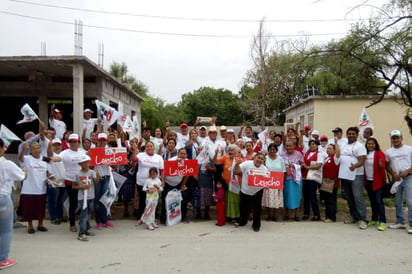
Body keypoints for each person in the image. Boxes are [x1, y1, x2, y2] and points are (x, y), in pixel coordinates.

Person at [0, 139, 25, 269]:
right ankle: (2, 260)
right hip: (3, 197)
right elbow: (21, 176)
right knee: (5, 230)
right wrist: (25, 170)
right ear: (2, 149)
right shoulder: (7, 164)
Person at [339, 127, 368, 229]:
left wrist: (354, 166)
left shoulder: (360, 146)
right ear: (346, 135)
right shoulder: (344, 145)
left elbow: (362, 160)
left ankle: (363, 219)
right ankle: (354, 216)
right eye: (349, 134)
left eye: (353, 134)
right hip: (345, 175)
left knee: (357, 197)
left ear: (357, 135)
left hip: (356, 175)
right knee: (349, 197)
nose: (351, 135)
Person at [18, 142, 49, 234]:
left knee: (40, 208)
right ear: (30, 150)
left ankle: (40, 225)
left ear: (40, 149)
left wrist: (50, 176)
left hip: (41, 189)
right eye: (34, 148)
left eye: (38, 148)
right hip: (29, 189)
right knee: (29, 209)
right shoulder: (27, 159)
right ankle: (30, 226)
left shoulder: (44, 159)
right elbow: (20, 158)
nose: (36, 150)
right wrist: (23, 149)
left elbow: (47, 171)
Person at [385, 130, 412, 233]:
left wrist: (407, 171)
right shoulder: (388, 151)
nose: (395, 140)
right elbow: (387, 165)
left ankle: (411, 223)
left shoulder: (409, 149)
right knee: (398, 201)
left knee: (410, 201)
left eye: (397, 138)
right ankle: (400, 222)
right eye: (393, 138)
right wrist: (393, 174)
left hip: (409, 177)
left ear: (401, 138)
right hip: (397, 179)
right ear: (391, 139)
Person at [58, 133, 86, 232]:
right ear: (69, 143)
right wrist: (51, 159)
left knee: (84, 202)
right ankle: (72, 224)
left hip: (82, 180)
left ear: (79, 142)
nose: (73, 143)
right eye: (71, 142)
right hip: (70, 180)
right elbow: (58, 158)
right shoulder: (65, 152)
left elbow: (91, 159)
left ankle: (83, 221)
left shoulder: (82, 152)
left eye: (75, 142)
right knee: (73, 202)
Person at [235, 152, 268, 232]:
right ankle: (243, 221)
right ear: (255, 157)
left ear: (263, 161)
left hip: (257, 191)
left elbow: (267, 181)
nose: (259, 160)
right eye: (258, 158)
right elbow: (237, 172)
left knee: (257, 209)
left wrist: (267, 185)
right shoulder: (247, 164)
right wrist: (237, 164)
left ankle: (256, 225)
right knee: (243, 208)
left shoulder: (264, 169)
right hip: (245, 190)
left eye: (261, 159)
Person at [135, 141, 164, 225]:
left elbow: (162, 170)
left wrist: (162, 181)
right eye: (147, 146)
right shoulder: (140, 155)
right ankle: (140, 218)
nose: (149, 148)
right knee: (143, 201)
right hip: (142, 182)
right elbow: (134, 160)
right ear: (145, 148)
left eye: (151, 146)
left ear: (154, 147)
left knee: (154, 201)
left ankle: (152, 218)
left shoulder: (159, 157)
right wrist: (134, 150)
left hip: (155, 183)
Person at [213, 144, 242, 224]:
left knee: (236, 200)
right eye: (229, 150)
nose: (230, 152)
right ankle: (228, 216)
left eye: (232, 150)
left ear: (236, 151)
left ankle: (237, 216)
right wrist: (216, 153)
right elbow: (215, 161)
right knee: (228, 200)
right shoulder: (225, 158)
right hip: (227, 183)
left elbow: (241, 172)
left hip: (237, 183)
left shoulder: (240, 160)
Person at [74, 154, 99, 241]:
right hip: (82, 197)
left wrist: (97, 176)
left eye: (87, 162)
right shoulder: (77, 174)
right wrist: (82, 187)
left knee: (88, 214)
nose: (85, 164)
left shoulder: (92, 172)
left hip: (91, 196)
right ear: (80, 164)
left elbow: (96, 182)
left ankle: (87, 229)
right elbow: (74, 186)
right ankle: (81, 233)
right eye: (83, 163)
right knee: (84, 215)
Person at [364, 137, 387, 231]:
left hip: (377, 181)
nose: (370, 145)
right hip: (368, 181)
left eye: (372, 144)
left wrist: (382, 165)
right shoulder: (365, 153)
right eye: (369, 144)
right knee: (372, 201)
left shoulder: (379, 153)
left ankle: (382, 221)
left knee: (379, 201)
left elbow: (382, 166)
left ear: (376, 145)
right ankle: (374, 219)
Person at [161, 148, 189, 223]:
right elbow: (163, 172)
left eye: (184, 154)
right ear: (178, 154)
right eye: (181, 153)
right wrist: (163, 182)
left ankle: (183, 217)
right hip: (168, 183)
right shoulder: (171, 160)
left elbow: (187, 175)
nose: (182, 155)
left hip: (178, 183)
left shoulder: (187, 162)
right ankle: (163, 218)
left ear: (186, 155)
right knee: (165, 198)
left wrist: (183, 185)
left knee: (184, 198)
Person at [94, 133, 114, 229]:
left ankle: (105, 219)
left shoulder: (109, 151)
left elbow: (114, 165)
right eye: (100, 140)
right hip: (97, 178)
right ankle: (98, 221)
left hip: (106, 177)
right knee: (97, 200)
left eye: (104, 140)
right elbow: (89, 165)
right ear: (97, 141)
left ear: (106, 141)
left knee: (104, 199)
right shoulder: (93, 151)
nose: (102, 142)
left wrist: (110, 163)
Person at [280, 140, 304, 221]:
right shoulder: (282, 155)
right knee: (287, 196)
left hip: (296, 179)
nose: (288, 147)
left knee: (296, 196)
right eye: (287, 146)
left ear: (294, 146)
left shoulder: (299, 154)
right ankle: (286, 214)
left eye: (290, 145)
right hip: (286, 178)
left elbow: (303, 165)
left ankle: (296, 215)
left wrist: (294, 166)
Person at [261, 143, 286, 221]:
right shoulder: (265, 158)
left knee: (276, 198)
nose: (272, 151)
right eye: (270, 149)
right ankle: (269, 215)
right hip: (267, 181)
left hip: (277, 182)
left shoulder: (280, 159)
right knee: (268, 198)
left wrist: (282, 182)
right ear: (268, 150)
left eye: (274, 149)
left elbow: (283, 171)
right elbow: (262, 169)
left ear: (276, 150)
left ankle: (275, 215)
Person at [301, 139, 324, 221]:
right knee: (306, 196)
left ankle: (316, 214)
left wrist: (307, 167)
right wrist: (303, 165)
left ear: (317, 145)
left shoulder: (319, 154)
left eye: (314, 144)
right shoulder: (306, 153)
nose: (312, 146)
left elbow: (318, 165)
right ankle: (306, 213)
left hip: (313, 178)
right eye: (310, 144)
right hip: (305, 177)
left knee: (312, 196)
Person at [46, 138, 66, 224]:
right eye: (55, 145)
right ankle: (53, 218)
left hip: (63, 181)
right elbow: (49, 152)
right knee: (52, 201)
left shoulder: (64, 154)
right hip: (53, 181)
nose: (57, 146)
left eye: (59, 145)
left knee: (60, 200)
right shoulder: (50, 155)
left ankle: (60, 216)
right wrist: (49, 144)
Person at [320, 141, 340, 223]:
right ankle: (327, 215)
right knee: (326, 200)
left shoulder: (335, 158)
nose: (328, 150)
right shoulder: (326, 158)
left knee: (331, 200)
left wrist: (336, 142)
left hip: (332, 183)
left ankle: (332, 217)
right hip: (325, 182)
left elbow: (338, 153)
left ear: (334, 151)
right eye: (327, 148)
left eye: (330, 149)